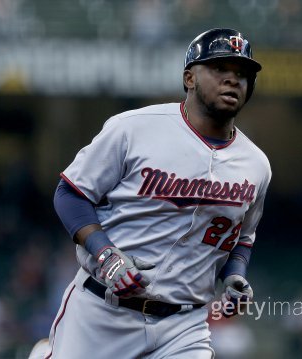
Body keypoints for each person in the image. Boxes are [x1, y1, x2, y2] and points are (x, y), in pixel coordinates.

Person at [44, 28, 271, 359]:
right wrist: (105, 254)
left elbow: (242, 238)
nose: (232, 80)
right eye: (219, 69)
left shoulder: (256, 165)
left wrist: (235, 276)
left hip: (185, 326)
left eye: (242, 74)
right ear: (189, 77)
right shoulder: (134, 128)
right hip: (102, 314)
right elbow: (70, 194)